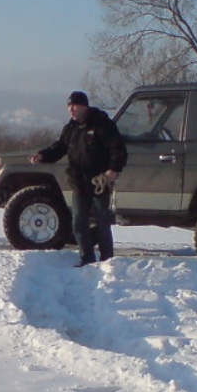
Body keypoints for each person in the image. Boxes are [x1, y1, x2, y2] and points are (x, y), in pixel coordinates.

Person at [32, 90, 127, 265]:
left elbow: (118, 149)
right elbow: (59, 148)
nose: (71, 109)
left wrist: (113, 170)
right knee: (78, 223)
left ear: (84, 106)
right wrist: (43, 155)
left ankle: (107, 260)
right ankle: (86, 258)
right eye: (69, 106)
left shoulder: (102, 124)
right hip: (79, 182)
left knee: (102, 223)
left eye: (74, 106)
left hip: (99, 182)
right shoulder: (71, 128)